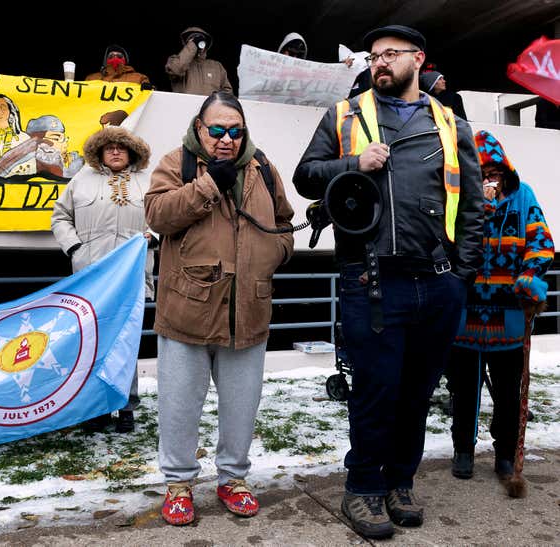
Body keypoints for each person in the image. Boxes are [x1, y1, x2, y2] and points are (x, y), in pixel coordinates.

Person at [292, 24, 484, 539]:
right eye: (373, 56)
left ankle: (400, 482)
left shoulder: (450, 122)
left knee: (418, 392)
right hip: (371, 281)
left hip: (437, 283)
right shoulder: (343, 115)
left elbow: (472, 205)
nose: (379, 63)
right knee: (376, 392)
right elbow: (305, 175)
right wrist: (354, 163)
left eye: (390, 55)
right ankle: (363, 489)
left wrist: (462, 275)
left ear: (417, 59)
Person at [145, 91, 294, 526]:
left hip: (248, 310)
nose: (227, 139)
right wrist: (210, 184)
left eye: (236, 131)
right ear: (199, 128)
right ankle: (178, 484)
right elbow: (158, 215)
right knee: (178, 407)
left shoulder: (264, 168)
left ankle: (233, 479)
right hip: (186, 312)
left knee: (241, 407)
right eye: (217, 130)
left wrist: (276, 254)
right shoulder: (178, 163)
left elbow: (283, 222)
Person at [448, 130, 554, 481]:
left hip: (509, 311)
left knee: (508, 389)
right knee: (463, 387)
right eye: (481, 173)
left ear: (505, 171)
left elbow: (541, 243)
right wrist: (480, 207)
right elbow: (445, 246)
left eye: (494, 172)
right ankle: (463, 448)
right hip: (466, 310)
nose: (488, 179)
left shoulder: (523, 197)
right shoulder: (458, 199)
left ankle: (505, 452)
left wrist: (530, 277)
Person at [50, 126, 157, 433]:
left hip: (131, 275)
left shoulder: (148, 182)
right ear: (99, 152)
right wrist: (75, 248)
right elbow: (60, 217)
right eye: (108, 147)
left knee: (125, 342)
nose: (114, 151)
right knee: (91, 342)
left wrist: (155, 237)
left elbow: (163, 217)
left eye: (120, 148)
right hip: (91, 277)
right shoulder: (81, 180)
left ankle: (125, 406)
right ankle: (94, 408)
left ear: (132, 153)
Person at [165, 26, 233, 95]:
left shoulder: (217, 66)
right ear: (187, 44)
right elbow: (176, 69)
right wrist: (193, 45)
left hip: (210, 106)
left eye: (201, 39)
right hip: (185, 104)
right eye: (193, 39)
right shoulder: (175, 60)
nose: (197, 41)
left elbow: (227, 92)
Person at [85, 44, 151, 85]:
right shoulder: (91, 78)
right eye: (111, 56)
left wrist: (148, 87)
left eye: (119, 56)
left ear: (125, 61)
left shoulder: (139, 78)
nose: (115, 58)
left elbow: (151, 94)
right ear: (106, 60)